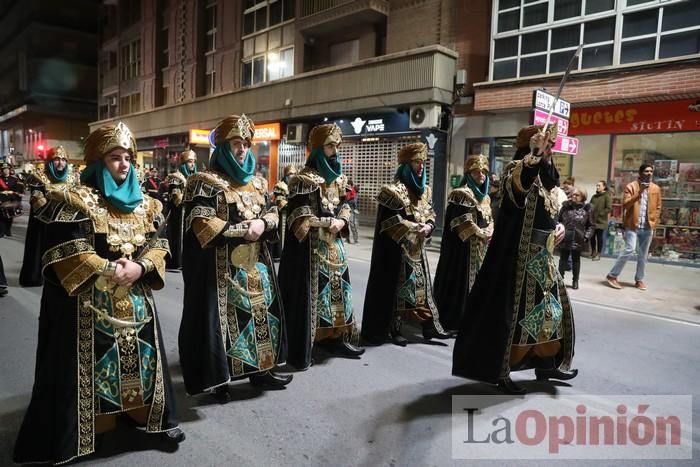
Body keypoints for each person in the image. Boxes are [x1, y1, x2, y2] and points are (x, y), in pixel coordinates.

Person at [13, 122, 184, 465]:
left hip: (136, 302)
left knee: (144, 363)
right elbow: (66, 251)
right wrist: (111, 269)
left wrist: (142, 267)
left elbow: (159, 245)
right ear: (97, 161)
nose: (124, 165)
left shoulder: (147, 205)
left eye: (128, 158)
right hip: (88, 306)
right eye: (115, 158)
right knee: (90, 366)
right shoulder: (74, 200)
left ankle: (145, 418)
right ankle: (86, 430)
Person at [452, 124, 577, 395]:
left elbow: (550, 215)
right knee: (515, 318)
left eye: (549, 148)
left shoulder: (548, 182)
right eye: (545, 147)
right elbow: (517, 193)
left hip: (544, 260)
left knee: (551, 314)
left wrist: (560, 227)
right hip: (518, 262)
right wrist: (533, 155)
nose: (548, 153)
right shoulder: (516, 170)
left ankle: (546, 364)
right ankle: (501, 370)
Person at [179, 114, 291, 401]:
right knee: (221, 324)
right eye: (236, 143)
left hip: (255, 265)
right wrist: (245, 229)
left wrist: (263, 224)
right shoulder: (203, 182)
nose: (242, 149)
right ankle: (219, 380)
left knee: (258, 317)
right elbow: (201, 226)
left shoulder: (257, 182)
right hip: (219, 269)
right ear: (224, 146)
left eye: (246, 143)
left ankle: (260, 371)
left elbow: (272, 213)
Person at [278, 123, 365, 370]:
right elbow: (299, 217)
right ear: (317, 148)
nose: (335, 149)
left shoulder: (340, 178)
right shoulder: (302, 180)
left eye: (337, 145)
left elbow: (346, 205)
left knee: (338, 294)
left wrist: (343, 220)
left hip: (334, 247)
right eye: (330, 145)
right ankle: (305, 344)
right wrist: (329, 221)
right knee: (311, 296)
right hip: (310, 251)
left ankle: (337, 337)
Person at [361, 143, 450, 346]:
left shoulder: (424, 191)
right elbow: (389, 222)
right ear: (406, 164)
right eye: (417, 162)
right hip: (397, 251)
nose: (421, 166)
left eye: (422, 162)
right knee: (399, 290)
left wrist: (429, 226)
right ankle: (395, 328)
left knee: (422, 288)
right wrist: (413, 226)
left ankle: (429, 326)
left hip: (418, 250)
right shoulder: (391, 191)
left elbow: (431, 214)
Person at [433, 154, 494, 333]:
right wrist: (482, 233)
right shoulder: (460, 194)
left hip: (482, 249)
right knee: (461, 284)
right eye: (476, 172)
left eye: (483, 172)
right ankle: (456, 320)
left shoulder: (486, 198)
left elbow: (490, 218)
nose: (481, 175)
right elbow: (460, 221)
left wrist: (491, 230)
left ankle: (475, 319)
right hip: (463, 251)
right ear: (469, 174)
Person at [19, 146, 78, 286]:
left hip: (66, 220)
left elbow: (76, 198)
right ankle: (35, 277)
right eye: (57, 159)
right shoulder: (39, 176)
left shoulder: (73, 178)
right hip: (43, 221)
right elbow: (37, 200)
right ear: (50, 161)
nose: (61, 163)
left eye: (64, 160)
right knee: (40, 248)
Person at [606, 164, 661, 291]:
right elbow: (625, 204)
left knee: (643, 255)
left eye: (651, 171)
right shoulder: (631, 186)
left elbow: (658, 207)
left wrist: (654, 221)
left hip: (648, 226)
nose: (649, 173)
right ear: (640, 173)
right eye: (646, 171)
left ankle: (639, 280)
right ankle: (612, 275)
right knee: (629, 249)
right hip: (633, 225)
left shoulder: (656, 188)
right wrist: (640, 192)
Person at [164, 149, 197, 270]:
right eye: (189, 162)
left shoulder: (194, 178)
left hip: (191, 212)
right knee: (178, 237)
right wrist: (189, 199)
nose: (192, 164)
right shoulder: (177, 178)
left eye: (193, 161)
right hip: (179, 214)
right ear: (184, 163)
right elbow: (176, 198)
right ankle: (177, 261)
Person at [558, 187, 594, 290]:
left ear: (582, 197)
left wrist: (586, 237)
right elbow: (559, 220)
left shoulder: (587, 209)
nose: (574, 196)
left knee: (576, 260)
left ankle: (575, 281)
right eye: (573, 194)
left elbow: (591, 225)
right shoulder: (565, 207)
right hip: (565, 237)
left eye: (577, 195)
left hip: (578, 238)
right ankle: (560, 280)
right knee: (563, 259)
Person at [271, 164, 297, 260]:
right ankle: (281, 253)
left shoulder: (297, 185)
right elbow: (279, 199)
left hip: (295, 214)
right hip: (284, 214)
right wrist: (288, 205)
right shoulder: (280, 186)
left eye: (294, 173)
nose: (292, 175)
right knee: (283, 233)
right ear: (286, 174)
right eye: (290, 173)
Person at [589, 180, 612, 261]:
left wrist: (601, 214)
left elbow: (609, 208)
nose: (597, 187)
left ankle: (599, 253)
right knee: (591, 236)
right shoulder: (594, 196)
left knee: (599, 238)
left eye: (599, 185)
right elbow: (590, 206)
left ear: (604, 187)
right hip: (592, 220)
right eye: (597, 185)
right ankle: (593, 251)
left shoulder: (607, 196)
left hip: (601, 221)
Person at [0, 162, 24, 237]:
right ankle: (1, 232)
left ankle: (8, 230)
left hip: (11, 200)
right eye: (4, 169)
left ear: (9, 170)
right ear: (1, 170)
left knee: (10, 217)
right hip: (1, 200)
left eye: (7, 169)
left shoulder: (14, 179)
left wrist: (17, 199)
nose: (6, 171)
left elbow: (18, 191)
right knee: (1, 217)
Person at [345, 179, 359, 244]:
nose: (348, 186)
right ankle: (347, 239)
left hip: (352, 209)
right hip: (346, 208)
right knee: (346, 224)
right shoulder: (346, 190)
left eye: (349, 185)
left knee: (352, 224)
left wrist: (355, 208)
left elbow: (355, 201)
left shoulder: (353, 192)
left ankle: (356, 239)